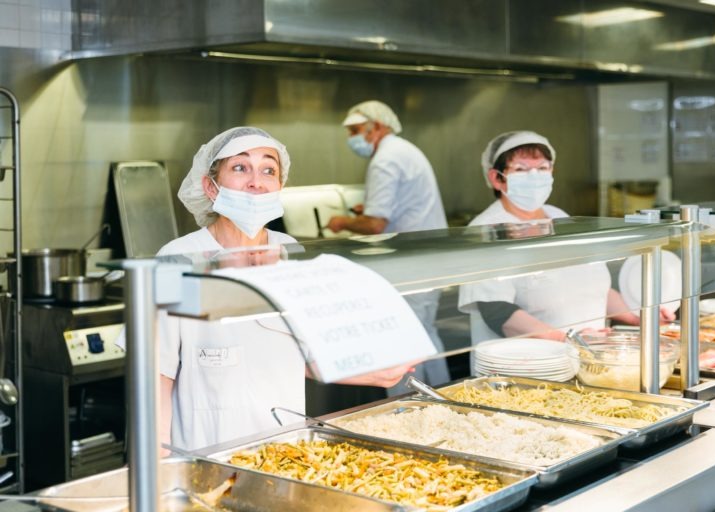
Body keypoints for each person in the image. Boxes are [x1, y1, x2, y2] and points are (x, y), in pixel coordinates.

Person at [153, 126, 413, 451]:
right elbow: (157, 372)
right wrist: (159, 458)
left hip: (283, 446)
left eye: (268, 170)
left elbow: (297, 355)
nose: (256, 181)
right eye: (239, 167)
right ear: (211, 186)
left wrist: (370, 372)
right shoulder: (178, 260)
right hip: (205, 448)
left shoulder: (290, 251)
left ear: (279, 186)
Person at [458, 131, 673, 356]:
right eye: (521, 169)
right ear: (497, 178)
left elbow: (592, 285)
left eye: (542, 168)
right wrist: (569, 340)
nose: (534, 176)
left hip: (587, 356)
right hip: (527, 366)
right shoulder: (486, 229)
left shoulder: (558, 217)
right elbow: (496, 311)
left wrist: (637, 316)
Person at [327, 100, 450, 393]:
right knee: (426, 335)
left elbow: (375, 225)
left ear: (377, 126)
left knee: (403, 342)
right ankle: (444, 395)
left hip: (410, 263)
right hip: (428, 257)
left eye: (356, 130)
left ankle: (404, 407)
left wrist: (341, 222)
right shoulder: (404, 150)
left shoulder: (385, 159)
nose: (352, 139)